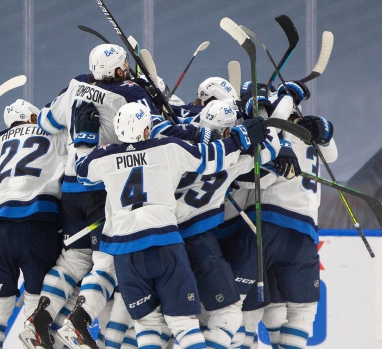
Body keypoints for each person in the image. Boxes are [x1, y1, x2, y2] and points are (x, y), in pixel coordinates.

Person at [75, 102, 272, 349]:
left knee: (147, 326)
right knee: (183, 325)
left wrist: (84, 140)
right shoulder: (168, 148)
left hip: (125, 252)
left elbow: (81, 172)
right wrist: (240, 137)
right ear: (147, 130)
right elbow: (211, 158)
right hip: (164, 243)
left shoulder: (104, 157)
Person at [21, 43, 162, 349]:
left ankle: (39, 319)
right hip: (103, 190)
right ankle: (80, 321)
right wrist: (151, 91)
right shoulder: (131, 94)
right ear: (119, 69)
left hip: (71, 190)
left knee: (73, 259)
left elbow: (46, 122)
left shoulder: (76, 84)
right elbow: (156, 131)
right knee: (107, 262)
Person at [225, 80, 337, 349]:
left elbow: (256, 180)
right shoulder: (312, 135)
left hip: (265, 226)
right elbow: (331, 154)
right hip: (305, 234)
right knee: (302, 311)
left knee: (237, 307)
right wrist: (326, 131)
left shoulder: (269, 132)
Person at [172, 99, 280, 349]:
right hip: (197, 239)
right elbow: (272, 147)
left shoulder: (176, 144)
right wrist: (257, 116)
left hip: (162, 238)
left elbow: (164, 126)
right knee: (229, 313)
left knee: (157, 322)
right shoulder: (234, 158)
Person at [0, 99, 68, 349]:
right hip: (39, 223)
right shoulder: (54, 132)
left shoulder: (0, 140)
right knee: (37, 309)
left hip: (0, 228)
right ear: (32, 117)